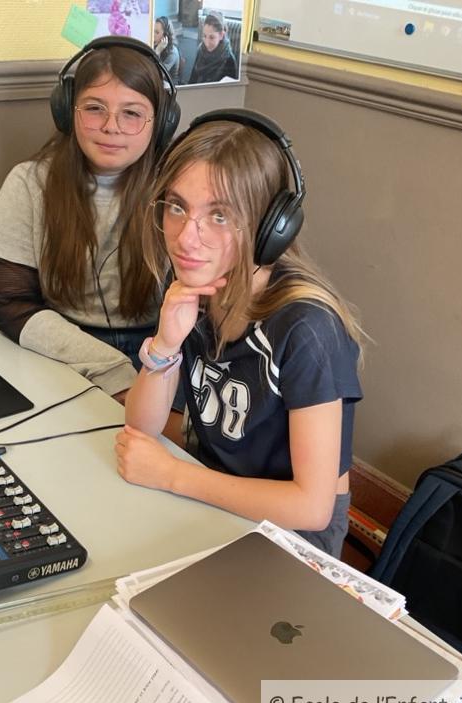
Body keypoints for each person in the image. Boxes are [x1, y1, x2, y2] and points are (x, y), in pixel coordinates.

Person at [115, 109, 366, 558]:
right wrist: (166, 343)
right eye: (177, 207)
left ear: (271, 228)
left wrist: (172, 475)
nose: (186, 238)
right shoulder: (197, 284)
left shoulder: (308, 330)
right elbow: (142, 426)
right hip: (214, 495)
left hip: (290, 535)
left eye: (219, 216)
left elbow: (311, 507)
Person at [0, 37, 179, 400]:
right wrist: (114, 371)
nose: (111, 126)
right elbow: (12, 305)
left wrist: (155, 373)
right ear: (67, 111)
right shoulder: (28, 184)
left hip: (161, 353)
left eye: (132, 113)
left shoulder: (181, 192)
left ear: (162, 122)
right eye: (94, 108)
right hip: (61, 349)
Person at [187, 12, 238, 84]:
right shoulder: (200, 50)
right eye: (204, 36)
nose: (206, 43)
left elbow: (231, 89)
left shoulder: (229, 60)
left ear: (221, 35)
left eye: (212, 37)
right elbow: (192, 80)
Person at [154, 16, 181, 81]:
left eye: (157, 32)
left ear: (166, 36)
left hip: (169, 85)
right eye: (153, 31)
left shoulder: (173, 52)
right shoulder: (155, 44)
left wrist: (157, 52)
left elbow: (159, 75)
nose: (153, 35)